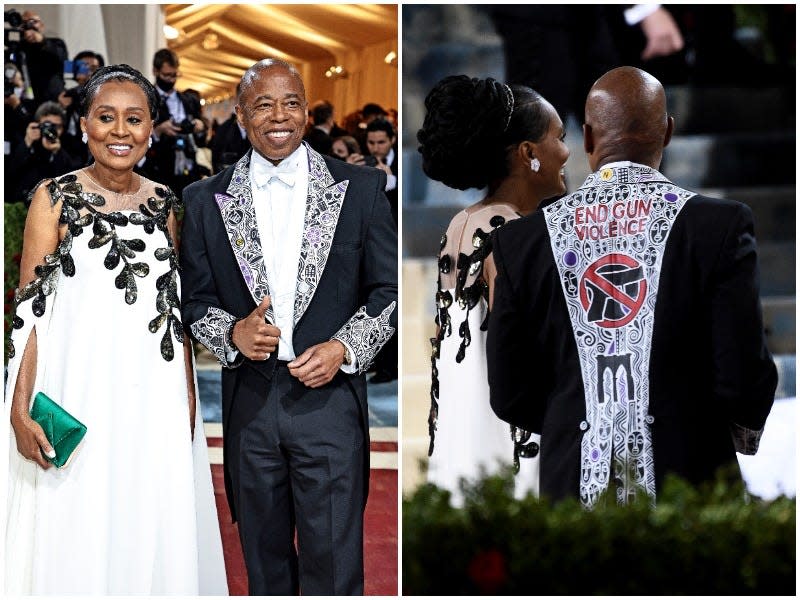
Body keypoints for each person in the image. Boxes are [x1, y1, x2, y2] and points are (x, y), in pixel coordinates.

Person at [487, 66, 777, 508]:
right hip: (690, 484)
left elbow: (509, 389)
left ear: (586, 138)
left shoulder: (521, 242)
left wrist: (578, 420)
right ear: (668, 133)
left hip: (570, 491)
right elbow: (742, 375)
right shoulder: (719, 226)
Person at [3, 64, 227, 595]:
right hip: (76, 384)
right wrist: (17, 404)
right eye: (106, 117)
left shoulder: (166, 204)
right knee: (74, 512)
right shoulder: (52, 198)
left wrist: (189, 400)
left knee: (144, 510)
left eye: (134, 119)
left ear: (153, 129)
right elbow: (28, 311)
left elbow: (173, 311)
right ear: (84, 124)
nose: (120, 131)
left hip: (153, 393)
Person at [180, 58, 397, 595]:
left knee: (334, 562)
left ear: (305, 110)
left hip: (331, 399)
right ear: (239, 115)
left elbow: (388, 291)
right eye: (263, 104)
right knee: (264, 560)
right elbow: (194, 301)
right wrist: (230, 334)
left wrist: (344, 347)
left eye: (291, 103)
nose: (279, 116)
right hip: (251, 403)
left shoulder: (362, 188)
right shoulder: (205, 200)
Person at [418, 75, 570, 505]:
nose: (567, 150)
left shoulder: (460, 223)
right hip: (506, 427)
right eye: (558, 137)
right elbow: (520, 346)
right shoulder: (517, 234)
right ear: (528, 154)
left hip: (459, 416)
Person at [140, 48, 206, 195]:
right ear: (155, 71)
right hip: (158, 171)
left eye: (175, 75)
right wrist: (158, 131)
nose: (171, 80)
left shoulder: (190, 101)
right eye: (166, 75)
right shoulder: (145, 99)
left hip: (189, 170)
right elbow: (136, 135)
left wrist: (200, 127)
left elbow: (202, 140)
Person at [7, 101, 81, 205]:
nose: (51, 130)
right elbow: (10, 173)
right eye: (47, 126)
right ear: (38, 125)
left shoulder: (71, 145)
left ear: (63, 128)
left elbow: (72, 179)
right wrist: (27, 143)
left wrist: (57, 152)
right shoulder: (26, 141)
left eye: (56, 127)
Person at [58, 50, 105, 165]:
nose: (88, 71)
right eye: (83, 67)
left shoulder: (108, 96)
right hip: (71, 157)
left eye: (93, 68)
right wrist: (62, 109)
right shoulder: (67, 95)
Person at [14, 9, 68, 105]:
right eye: (24, 24)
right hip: (29, 102)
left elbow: (61, 58)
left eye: (33, 22)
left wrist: (42, 41)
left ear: (42, 26)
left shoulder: (56, 43)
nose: (29, 26)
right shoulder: (19, 49)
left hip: (54, 100)